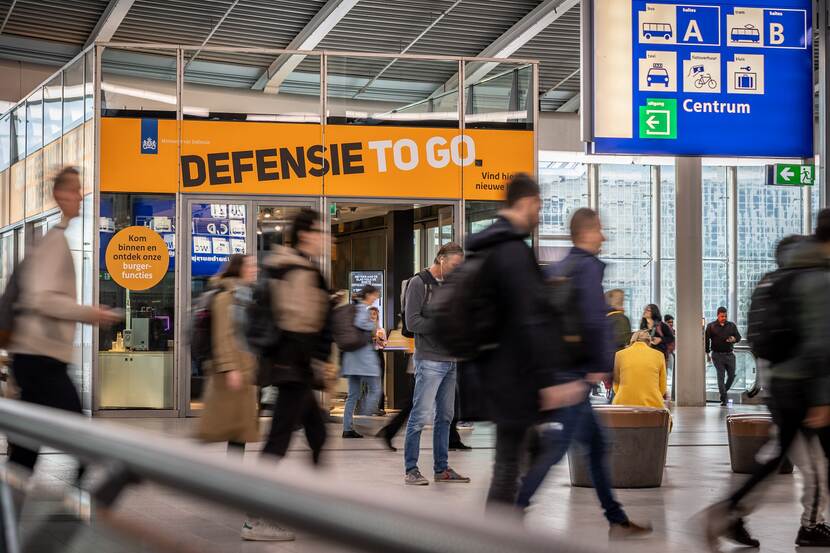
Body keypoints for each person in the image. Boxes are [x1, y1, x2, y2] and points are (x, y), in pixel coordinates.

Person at [515, 207, 651, 539]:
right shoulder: (587, 268)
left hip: (559, 371)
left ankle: (617, 520)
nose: (603, 236)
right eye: (599, 229)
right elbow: (592, 321)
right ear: (587, 232)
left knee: (596, 444)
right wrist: (595, 369)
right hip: (574, 376)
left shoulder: (560, 268)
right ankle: (512, 513)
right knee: (556, 449)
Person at [702, 214, 830, 551]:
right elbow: (820, 343)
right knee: (815, 465)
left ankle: (734, 512)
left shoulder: (776, 278)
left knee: (779, 455)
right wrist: (821, 398)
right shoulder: (817, 278)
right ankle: (809, 526)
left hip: (778, 382)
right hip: (803, 386)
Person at [7, 167, 122, 477]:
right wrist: (89, 313)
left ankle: (11, 504)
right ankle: (89, 497)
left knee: (26, 451)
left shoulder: (53, 240)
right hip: (41, 358)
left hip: (36, 357)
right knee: (80, 439)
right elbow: (41, 299)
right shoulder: (54, 243)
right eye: (74, 190)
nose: (80, 196)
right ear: (60, 195)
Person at [465, 174, 564, 507]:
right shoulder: (512, 252)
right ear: (526, 203)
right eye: (538, 206)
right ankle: (499, 528)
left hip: (495, 373)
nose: (539, 213)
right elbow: (530, 320)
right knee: (508, 466)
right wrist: (547, 381)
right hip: (514, 378)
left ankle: (507, 522)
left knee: (517, 456)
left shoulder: (488, 247)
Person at [243, 208, 332, 542]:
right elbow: (299, 324)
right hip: (294, 369)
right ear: (305, 234)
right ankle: (254, 518)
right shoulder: (298, 271)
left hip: (295, 369)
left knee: (318, 433)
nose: (326, 238)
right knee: (279, 440)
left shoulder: (290, 266)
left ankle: (316, 505)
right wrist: (316, 361)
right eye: (321, 231)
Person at [403, 242, 469, 485]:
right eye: (454, 265)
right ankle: (411, 469)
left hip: (451, 361)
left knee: (446, 417)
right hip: (429, 360)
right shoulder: (418, 283)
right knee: (420, 416)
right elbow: (412, 322)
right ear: (441, 259)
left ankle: (442, 469)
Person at [196, 255, 259, 455]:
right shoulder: (226, 296)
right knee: (221, 426)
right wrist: (230, 367)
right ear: (239, 268)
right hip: (232, 370)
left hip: (244, 367)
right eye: (250, 265)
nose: (255, 269)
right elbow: (222, 334)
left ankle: (234, 468)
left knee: (238, 427)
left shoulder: (244, 295)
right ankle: (185, 463)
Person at [341, 286, 383, 439]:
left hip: (352, 359)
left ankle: (347, 428)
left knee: (353, 395)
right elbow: (361, 324)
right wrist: (372, 324)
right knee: (375, 389)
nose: (375, 299)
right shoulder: (361, 309)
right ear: (369, 295)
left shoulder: (354, 308)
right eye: (375, 296)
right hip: (363, 360)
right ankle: (363, 421)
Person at [612, 330, 667, 410]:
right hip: (652, 406)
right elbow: (662, 387)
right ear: (649, 341)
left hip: (623, 404)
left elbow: (616, 386)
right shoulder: (659, 355)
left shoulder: (619, 355)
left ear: (632, 341)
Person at [705, 307, 742, 406]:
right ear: (717, 315)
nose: (724, 318)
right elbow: (706, 340)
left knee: (732, 376)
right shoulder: (711, 326)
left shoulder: (731, 325)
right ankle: (724, 399)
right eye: (722, 316)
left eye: (725, 316)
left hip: (730, 354)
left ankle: (723, 393)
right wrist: (707, 353)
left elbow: (738, 337)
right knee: (720, 376)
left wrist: (734, 339)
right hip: (717, 355)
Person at [369, 306, 387, 415]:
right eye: (370, 314)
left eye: (374, 314)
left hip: (378, 354)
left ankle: (380, 407)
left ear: (377, 316)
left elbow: (384, 344)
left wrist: (379, 340)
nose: (372, 316)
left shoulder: (381, 330)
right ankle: (368, 407)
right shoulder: (365, 329)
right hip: (368, 355)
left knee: (380, 380)